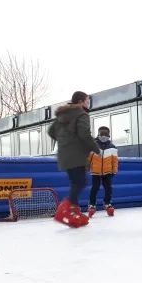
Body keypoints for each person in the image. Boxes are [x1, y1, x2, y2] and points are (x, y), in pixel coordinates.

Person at [48, 91, 100, 228]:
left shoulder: (63, 114)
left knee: (75, 183)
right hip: (76, 155)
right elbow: (84, 134)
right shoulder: (81, 113)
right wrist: (96, 148)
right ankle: (64, 210)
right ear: (80, 102)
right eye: (87, 101)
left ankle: (73, 211)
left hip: (65, 155)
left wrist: (65, 142)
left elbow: (51, 131)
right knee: (80, 182)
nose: (88, 104)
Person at [87, 126, 118, 217]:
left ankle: (107, 203)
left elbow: (115, 160)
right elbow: (88, 158)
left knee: (108, 188)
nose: (103, 136)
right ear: (98, 134)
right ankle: (92, 204)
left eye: (105, 134)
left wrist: (114, 170)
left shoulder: (113, 147)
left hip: (108, 171)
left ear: (109, 135)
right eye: (101, 134)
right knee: (95, 188)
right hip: (95, 171)